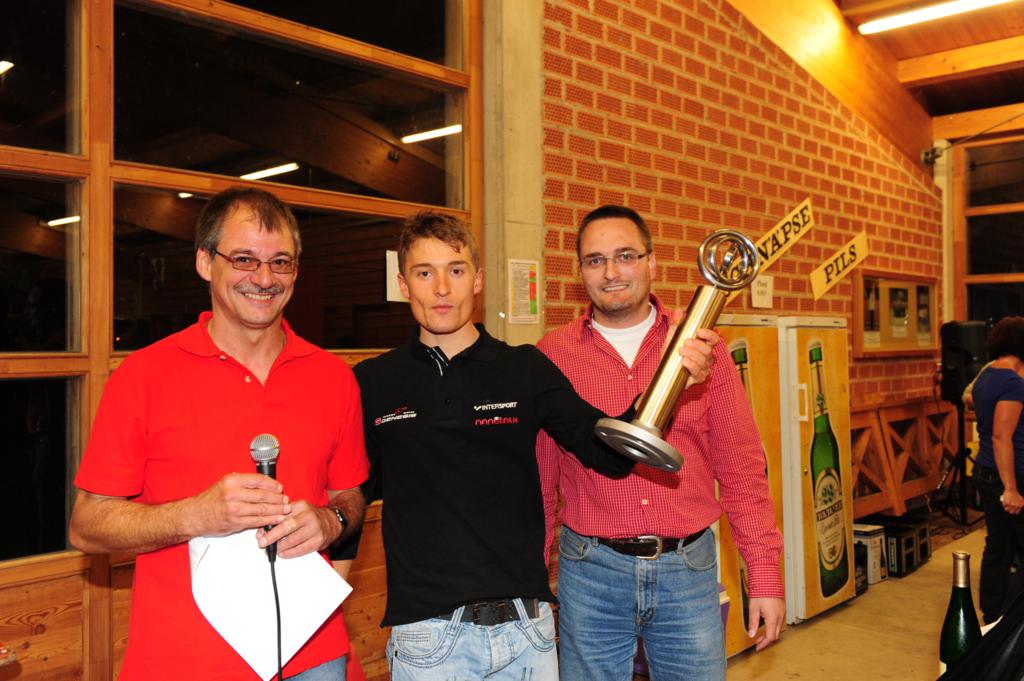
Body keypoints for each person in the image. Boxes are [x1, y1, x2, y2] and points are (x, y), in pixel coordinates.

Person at [352, 211, 714, 681]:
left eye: (456, 270)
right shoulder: (372, 383)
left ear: (477, 279)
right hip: (427, 638)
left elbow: (606, 454)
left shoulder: (525, 368)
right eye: (424, 273)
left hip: (525, 634)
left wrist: (666, 386)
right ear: (404, 284)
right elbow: (350, 490)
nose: (441, 288)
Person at [68, 187, 369, 680]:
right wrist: (196, 514)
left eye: (280, 262)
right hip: (185, 661)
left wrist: (332, 521)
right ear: (205, 262)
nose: (264, 279)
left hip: (314, 658)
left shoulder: (334, 378)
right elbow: (86, 525)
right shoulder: (143, 377)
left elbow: (350, 495)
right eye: (244, 259)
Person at [536, 205, 785, 681]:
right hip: (590, 574)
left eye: (625, 256)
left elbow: (742, 469)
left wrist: (765, 576)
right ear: (580, 272)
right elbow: (542, 483)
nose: (611, 272)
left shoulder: (702, 347)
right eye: (595, 260)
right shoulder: (554, 355)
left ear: (651, 262)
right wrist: (532, 583)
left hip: (686, 571)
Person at [970, 316, 1024, 624]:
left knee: (999, 545)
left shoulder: (987, 374)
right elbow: (1001, 437)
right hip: (1006, 476)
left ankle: (993, 616)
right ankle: (1004, 618)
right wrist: (1011, 489)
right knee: (1003, 546)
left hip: (987, 469)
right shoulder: (1012, 383)